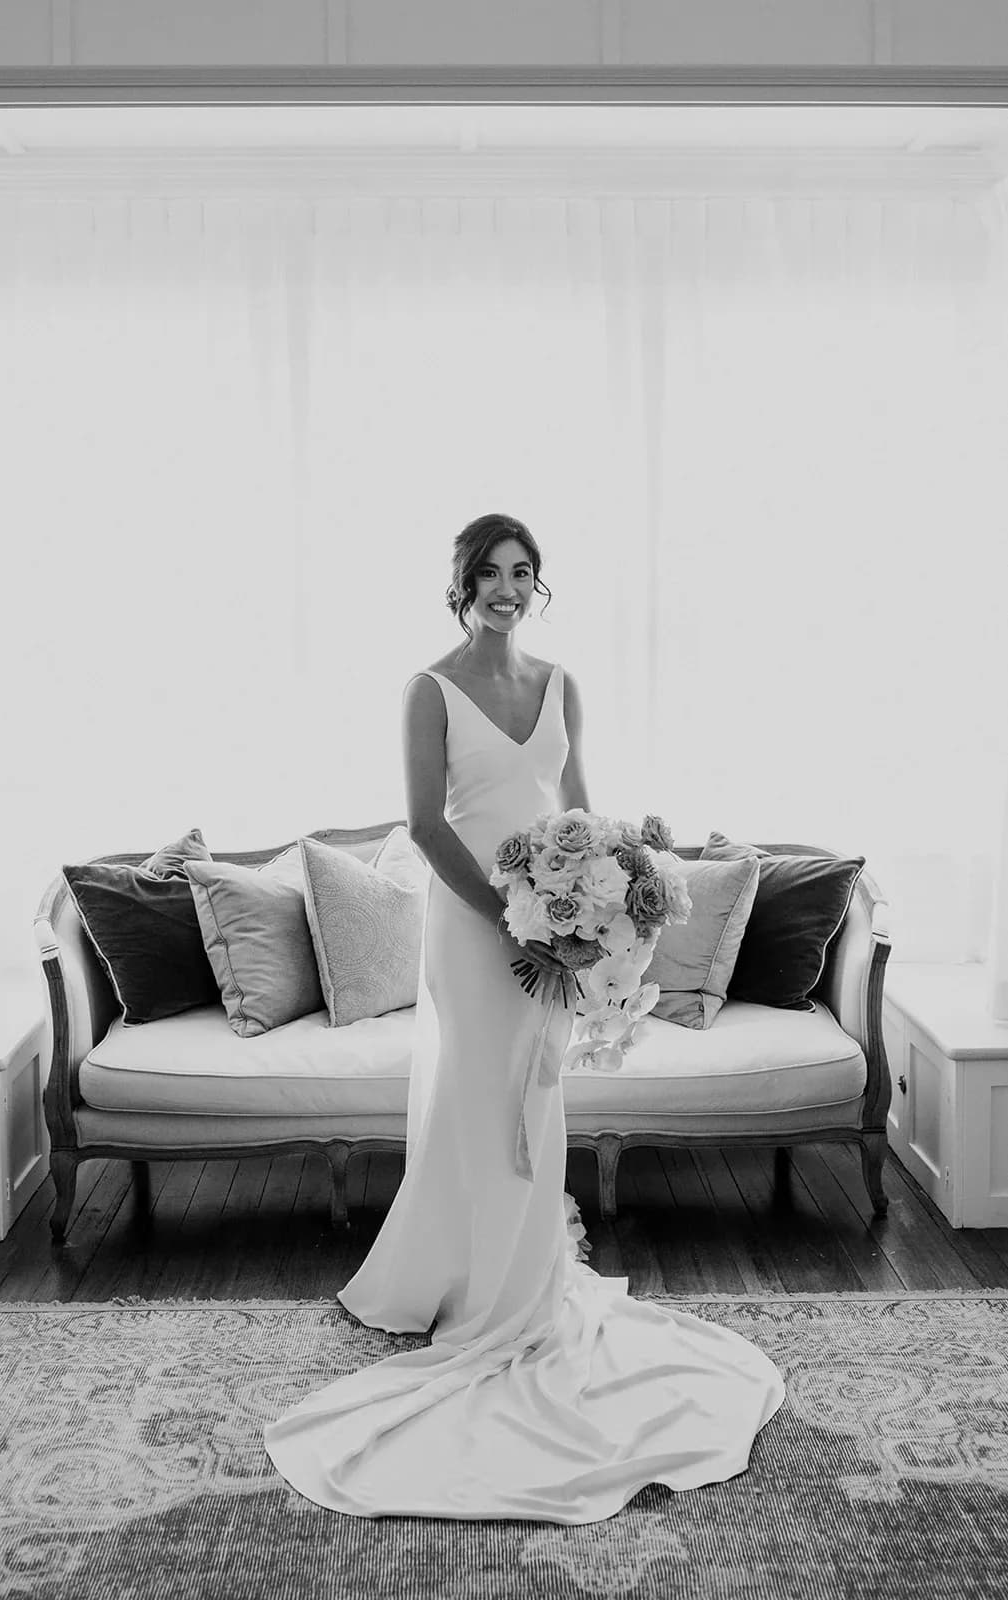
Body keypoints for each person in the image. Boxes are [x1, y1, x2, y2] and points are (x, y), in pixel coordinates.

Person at [264, 512, 785, 1523]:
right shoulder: (431, 689)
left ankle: (530, 1280)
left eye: (523, 574)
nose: (508, 588)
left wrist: (611, 892)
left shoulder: (562, 684)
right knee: (477, 1094)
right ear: (461, 583)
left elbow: (579, 805)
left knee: (538, 1093)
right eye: (491, 573)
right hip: (472, 932)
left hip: (559, 921)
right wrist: (512, 922)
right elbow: (425, 821)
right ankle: (469, 1285)